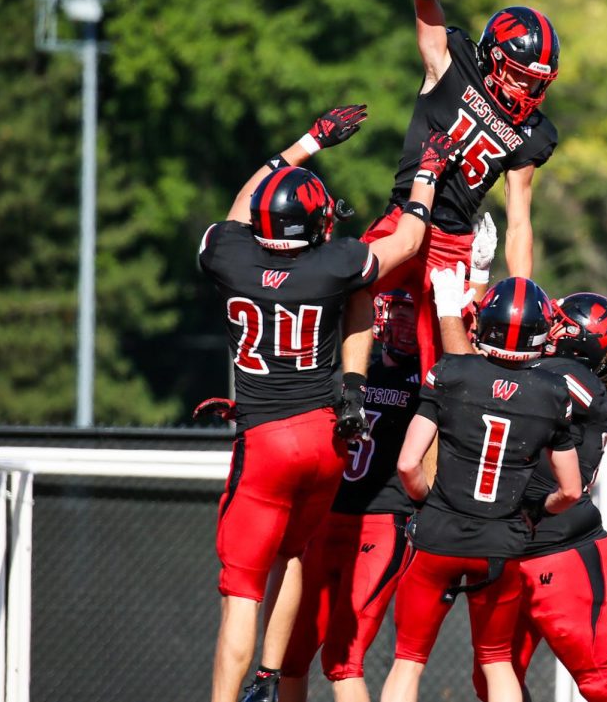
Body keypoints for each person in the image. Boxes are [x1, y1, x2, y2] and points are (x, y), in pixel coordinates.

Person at [198, 105, 458, 702]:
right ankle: (269, 676)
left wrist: (307, 143)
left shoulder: (230, 256)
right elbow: (411, 237)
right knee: (294, 553)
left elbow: (241, 209)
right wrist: (426, 173)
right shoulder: (334, 264)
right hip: (326, 440)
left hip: (264, 439)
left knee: (241, 590)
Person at [359, 0, 561, 380]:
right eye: (519, 76)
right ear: (492, 57)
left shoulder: (534, 131)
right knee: (346, 287)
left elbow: (520, 222)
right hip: (404, 214)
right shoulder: (454, 63)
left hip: (454, 243)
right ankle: (345, 393)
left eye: (538, 83)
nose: (527, 92)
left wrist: (522, 292)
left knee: (450, 373)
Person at [379, 277, 583, 702]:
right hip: (499, 541)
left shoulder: (452, 373)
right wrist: (533, 510)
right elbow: (570, 490)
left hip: (439, 533)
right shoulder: (552, 393)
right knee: (496, 660)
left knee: (409, 660)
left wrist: (425, 504)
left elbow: (407, 462)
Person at [450, 288, 607, 702]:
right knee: (492, 680)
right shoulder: (543, 372)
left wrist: (453, 318)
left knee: (600, 681)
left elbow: (480, 380)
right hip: (507, 545)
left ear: (577, 337)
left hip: (559, 547)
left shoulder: (572, 380)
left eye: (558, 320)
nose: (546, 323)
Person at [267, 289, 422, 702]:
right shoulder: (352, 371)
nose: (405, 323)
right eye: (399, 312)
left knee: (342, 660)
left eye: (414, 313)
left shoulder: (429, 379)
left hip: (381, 523)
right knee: (289, 656)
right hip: (326, 521)